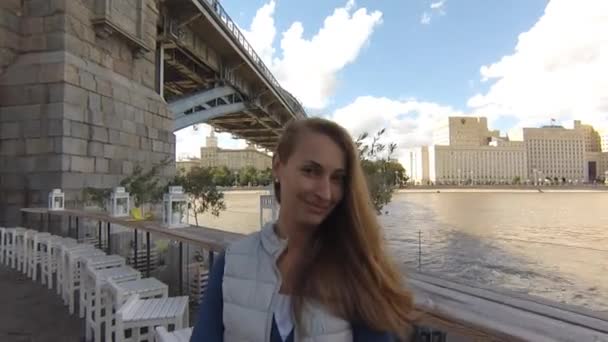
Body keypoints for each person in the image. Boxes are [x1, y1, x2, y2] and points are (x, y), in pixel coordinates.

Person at [191, 117, 414, 341]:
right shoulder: (231, 263)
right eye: (311, 171)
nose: (325, 193)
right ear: (278, 166)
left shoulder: (357, 270)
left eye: (337, 178)